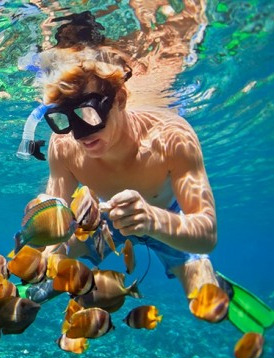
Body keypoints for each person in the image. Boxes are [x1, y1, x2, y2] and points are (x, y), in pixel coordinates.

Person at [22, 13, 273, 333]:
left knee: (203, 304)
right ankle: (58, 281)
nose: (80, 133)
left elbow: (207, 232)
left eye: (89, 113)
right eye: (63, 119)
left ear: (120, 100)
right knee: (54, 258)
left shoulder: (171, 137)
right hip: (101, 218)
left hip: (167, 218)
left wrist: (152, 220)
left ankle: (211, 281)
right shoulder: (65, 146)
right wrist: (43, 252)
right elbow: (59, 225)